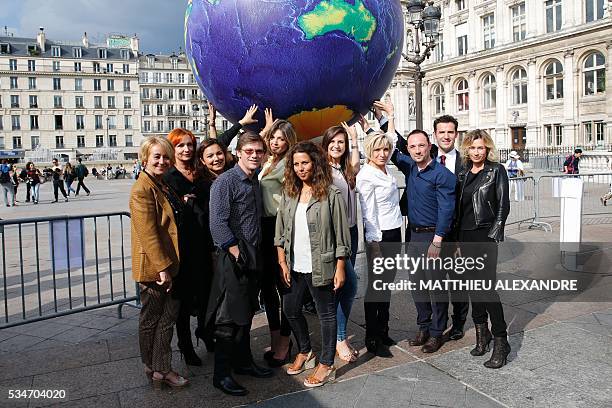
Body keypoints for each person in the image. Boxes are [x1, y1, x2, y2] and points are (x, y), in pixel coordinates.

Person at [276, 141, 350, 387]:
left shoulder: (331, 194)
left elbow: (342, 235)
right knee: (290, 310)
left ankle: (326, 363)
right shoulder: (289, 192)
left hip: (322, 265)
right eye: (296, 164)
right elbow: (280, 230)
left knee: (326, 314)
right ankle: (305, 350)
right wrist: (282, 260)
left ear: (315, 163)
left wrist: (340, 267)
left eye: (304, 162)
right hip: (294, 265)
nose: (300, 168)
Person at [208, 132, 274, 397]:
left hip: (252, 255)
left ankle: (244, 362)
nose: (255, 155)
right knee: (229, 317)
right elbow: (218, 224)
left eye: (259, 151)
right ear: (238, 153)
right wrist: (236, 252)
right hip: (235, 256)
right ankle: (221, 375)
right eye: (250, 151)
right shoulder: (226, 182)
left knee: (245, 313)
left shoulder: (253, 179)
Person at [390, 113, 456, 354]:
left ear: (430, 146)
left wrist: (438, 241)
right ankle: (424, 326)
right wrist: (382, 121)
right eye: (413, 146)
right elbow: (390, 148)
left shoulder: (442, 175)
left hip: (433, 238)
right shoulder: (410, 167)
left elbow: (447, 210)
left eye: (421, 145)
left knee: (436, 286)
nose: (417, 150)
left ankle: (438, 332)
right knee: (417, 285)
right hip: (413, 235)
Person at [129, 136, 188, 388]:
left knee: (162, 319)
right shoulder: (142, 189)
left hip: (166, 264)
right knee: (156, 319)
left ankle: (156, 366)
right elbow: (148, 232)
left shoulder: (160, 184)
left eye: (166, 157)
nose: (162, 161)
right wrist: (163, 268)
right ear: (145, 159)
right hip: (156, 268)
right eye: (157, 156)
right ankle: (158, 368)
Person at [455, 129, 510, 369]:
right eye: (472, 147)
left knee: (487, 289)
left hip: (485, 235)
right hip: (465, 237)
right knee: (473, 288)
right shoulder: (463, 174)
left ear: (487, 149)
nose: (476, 152)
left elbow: (503, 205)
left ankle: (501, 340)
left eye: (481, 147)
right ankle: (482, 334)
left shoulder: (496, 171)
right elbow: (460, 211)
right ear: (466, 149)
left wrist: (495, 234)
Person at [162, 128, 213, 367]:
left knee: (205, 294)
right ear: (173, 148)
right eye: (181, 145)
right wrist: (179, 204)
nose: (186, 149)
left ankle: (205, 332)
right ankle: (185, 346)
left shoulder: (200, 171)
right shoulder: (168, 177)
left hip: (203, 241)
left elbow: (217, 145)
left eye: (190, 144)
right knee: (182, 301)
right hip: (182, 245)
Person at [356, 121, 403, 358]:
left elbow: (392, 140)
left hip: (395, 231)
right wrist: (373, 244)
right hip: (379, 236)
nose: (383, 154)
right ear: (369, 152)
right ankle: (372, 337)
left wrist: (390, 118)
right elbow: (368, 212)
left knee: (387, 286)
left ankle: (383, 330)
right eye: (377, 150)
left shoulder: (385, 168)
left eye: (385, 150)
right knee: (376, 287)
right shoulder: (366, 175)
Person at [259, 119, 297, 367]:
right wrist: (266, 129)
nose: (275, 142)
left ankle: (285, 340)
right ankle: (275, 337)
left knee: (284, 286)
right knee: (267, 288)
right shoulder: (268, 161)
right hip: (262, 228)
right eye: (273, 137)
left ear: (289, 141)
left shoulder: (288, 164)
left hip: (279, 226)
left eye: (281, 138)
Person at [321, 122, 360, 362]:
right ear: (325, 145)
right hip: (338, 236)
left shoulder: (344, 169)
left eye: (341, 142)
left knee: (342, 286)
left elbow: (355, 165)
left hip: (352, 232)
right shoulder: (323, 170)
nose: (337, 146)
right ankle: (339, 338)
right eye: (333, 142)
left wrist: (354, 139)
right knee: (348, 286)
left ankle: (336, 336)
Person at [431, 115, 469, 341]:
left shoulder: (465, 162)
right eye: (441, 132)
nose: (446, 136)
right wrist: (385, 119)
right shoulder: (427, 157)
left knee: (458, 282)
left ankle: (459, 322)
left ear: (456, 134)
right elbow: (403, 147)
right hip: (431, 231)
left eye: (450, 132)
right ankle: (437, 323)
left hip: (457, 233)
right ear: (434, 134)